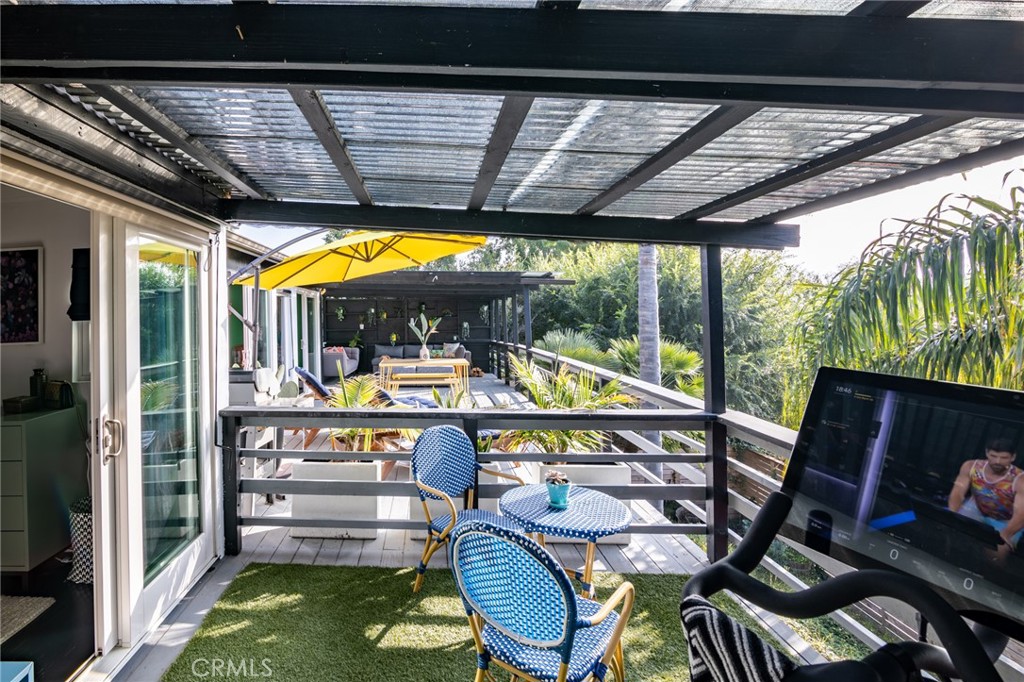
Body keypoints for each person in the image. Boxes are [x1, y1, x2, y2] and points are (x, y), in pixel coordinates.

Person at [948, 437, 1024, 551]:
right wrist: (952, 516)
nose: (997, 461)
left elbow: (1021, 514)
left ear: (1013, 457)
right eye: (993, 456)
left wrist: (1006, 534)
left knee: (998, 552)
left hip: (1005, 520)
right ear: (987, 453)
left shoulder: (1020, 479)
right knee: (949, 533)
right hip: (976, 509)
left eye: (1003, 458)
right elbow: (957, 493)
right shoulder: (970, 466)